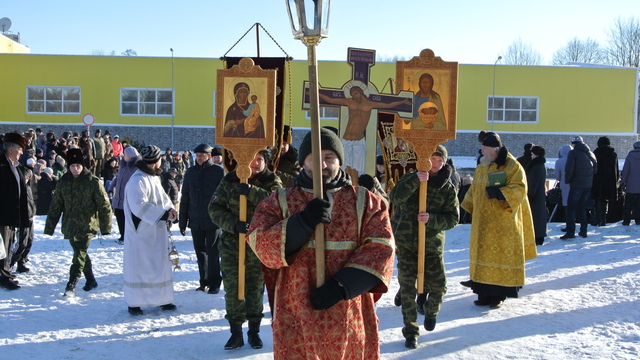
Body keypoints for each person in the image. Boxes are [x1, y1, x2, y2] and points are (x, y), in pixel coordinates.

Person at [247, 128, 395, 359]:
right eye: (315, 158)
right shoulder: (279, 200)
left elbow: (382, 248)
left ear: (339, 161)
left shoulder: (366, 201)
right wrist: (302, 222)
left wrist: (342, 287)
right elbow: (260, 243)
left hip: (348, 306)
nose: (323, 165)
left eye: (329, 158)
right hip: (296, 308)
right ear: (303, 161)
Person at [208, 148, 282, 350]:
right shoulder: (230, 181)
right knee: (233, 289)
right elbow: (214, 208)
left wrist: (251, 192)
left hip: (259, 246)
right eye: (252, 159)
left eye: (260, 159)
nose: (256, 163)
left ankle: (254, 332)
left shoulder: (271, 181)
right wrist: (233, 224)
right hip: (233, 245)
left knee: (255, 289)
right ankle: (235, 332)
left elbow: (278, 204)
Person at [389, 145, 458, 349]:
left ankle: (431, 311)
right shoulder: (412, 177)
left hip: (431, 245)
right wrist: (415, 180)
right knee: (408, 288)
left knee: (439, 285)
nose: (435, 164)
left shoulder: (447, 187)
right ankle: (410, 332)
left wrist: (432, 219)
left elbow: (453, 219)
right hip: (407, 242)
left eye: (439, 160)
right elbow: (395, 198)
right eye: (432, 159)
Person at [461, 132, 537, 308]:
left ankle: (499, 295)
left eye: (485, 148)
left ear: (494, 149)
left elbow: (520, 187)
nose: (482, 150)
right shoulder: (483, 165)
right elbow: (474, 188)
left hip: (503, 222)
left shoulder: (512, 166)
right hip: (482, 222)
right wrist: (467, 207)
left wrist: (500, 193)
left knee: (500, 258)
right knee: (483, 256)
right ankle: (483, 292)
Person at [44, 148, 112, 296]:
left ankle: (72, 283)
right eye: (72, 166)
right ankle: (91, 279)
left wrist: (106, 227)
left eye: (78, 166)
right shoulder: (63, 183)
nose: (75, 169)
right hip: (70, 225)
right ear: (68, 167)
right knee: (80, 253)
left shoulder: (92, 182)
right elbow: (56, 206)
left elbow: (104, 205)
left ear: (83, 166)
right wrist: (49, 227)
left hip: (88, 225)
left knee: (79, 254)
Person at [123, 145, 178, 316]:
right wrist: (163, 215)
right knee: (140, 267)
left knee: (159, 265)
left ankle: (163, 299)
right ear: (156, 161)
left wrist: (171, 210)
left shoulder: (152, 177)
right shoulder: (137, 180)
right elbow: (138, 206)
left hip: (156, 231)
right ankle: (135, 302)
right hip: (141, 233)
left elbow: (163, 199)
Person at [318, 84, 411, 175]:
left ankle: (355, 189)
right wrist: (317, 93)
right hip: (346, 139)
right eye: (353, 94)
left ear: (361, 92)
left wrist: (402, 101)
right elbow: (331, 100)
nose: (354, 96)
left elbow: (388, 105)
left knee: (357, 170)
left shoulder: (370, 104)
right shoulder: (350, 102)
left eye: (356, 93)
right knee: (344, 168)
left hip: (358, 140)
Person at [179, 143, 224, 294]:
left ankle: (214, 282)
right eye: (197, 156)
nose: (198, 158)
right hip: (196, 219)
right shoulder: (191, 172)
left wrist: (222, 217)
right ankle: (203, 281)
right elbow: (185, 197)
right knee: (200, 252)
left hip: (213, 220)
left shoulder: (218, 172)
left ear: (208, 156)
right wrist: (182, 220)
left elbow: (224, 197)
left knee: (213, 252)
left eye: (201, 156)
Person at [0, 132, 30, 290]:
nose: (21, 152)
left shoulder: (16, 166)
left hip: (13, 213)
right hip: (3, 214)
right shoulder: (2, 165)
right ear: (11, 149)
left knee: (9, 243)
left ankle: (6, 272)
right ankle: (3, 277)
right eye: (20, 149)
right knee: (2, 246)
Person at [560, 136, 598, 240]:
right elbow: (595, 169)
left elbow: (569, 168)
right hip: (587, 185)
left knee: (571, 209)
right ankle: (583, 231)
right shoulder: (590, 153)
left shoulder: (573, 153)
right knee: (582, 208)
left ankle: (570, 232)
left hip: (576, 185)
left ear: (574, 144)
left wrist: (568, 180)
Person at [111, 146, 141, 244]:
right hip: (119, 197)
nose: (124, 156)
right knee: (119, 217)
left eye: (126, 154)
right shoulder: (123, 166)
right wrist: (111, 187)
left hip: (128, 198)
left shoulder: (136, 168)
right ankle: (122, 236)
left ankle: (127, 237)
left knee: (127, 218)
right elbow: (117, 178)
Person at [591, 136, 619, 226]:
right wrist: (616, 180)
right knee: (605, 200)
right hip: (610, 180)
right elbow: (616, 169)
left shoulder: (596, 153)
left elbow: (593, 167)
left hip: (598, 179)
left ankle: (597, 219)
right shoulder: (613, 154)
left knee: (597, 200)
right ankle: (604, 219)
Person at [526, 145, 548, 245]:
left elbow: (533, 182)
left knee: (536, 216)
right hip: (540, 195)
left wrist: (530, 195)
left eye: (532, 153)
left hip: (535, 196)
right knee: (540, 216)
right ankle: (540, 235)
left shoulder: (535, 166)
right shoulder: (542, 165)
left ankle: (537, 236)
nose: (531, 155)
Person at [621, 141, 640, 225]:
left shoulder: (629, 156)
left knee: (628, 204)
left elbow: (625, 171)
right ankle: (638, 220)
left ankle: (626, 220)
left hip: (630, 185)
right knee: (638, 204)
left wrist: (623, 182)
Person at [555, 145, 573, 219]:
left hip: (563, 183)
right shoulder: (574, 160)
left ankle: (566, 219)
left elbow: (557, 176)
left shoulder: (559, 161)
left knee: (565, 202)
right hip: (574, 183)